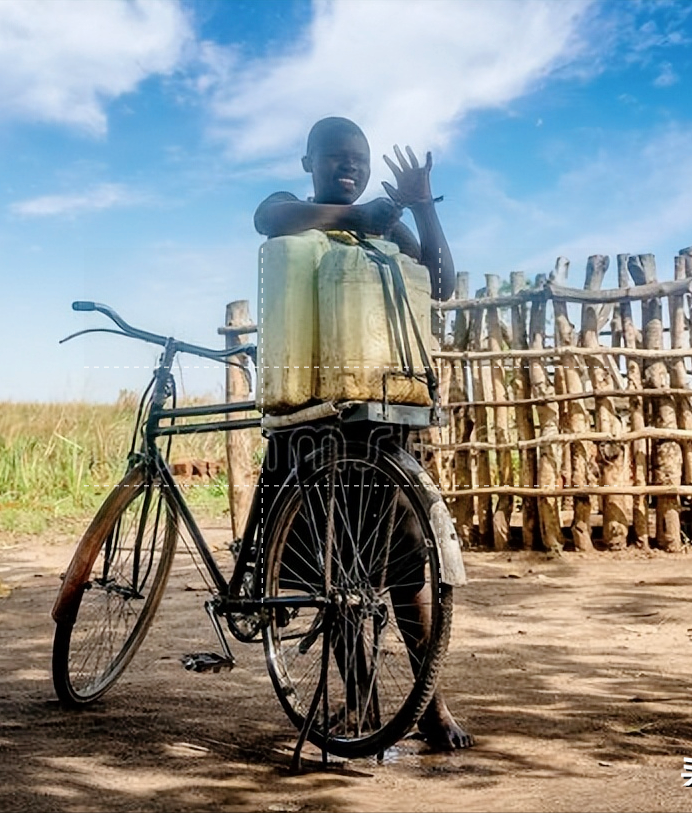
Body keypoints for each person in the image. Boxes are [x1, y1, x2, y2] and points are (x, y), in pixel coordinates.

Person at [253, 116, 472, 751]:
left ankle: (429, 706)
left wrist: (422, 208)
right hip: (309, 423)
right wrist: (363, 218)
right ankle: (363, 703)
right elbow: (267, 218)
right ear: (309, 162)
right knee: (332, 575)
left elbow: (444, 280)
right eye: (335, 158)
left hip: (377, 425)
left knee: (405, 568)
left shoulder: (385, 227)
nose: (347, 168)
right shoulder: (295, 209)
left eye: (358, 159)